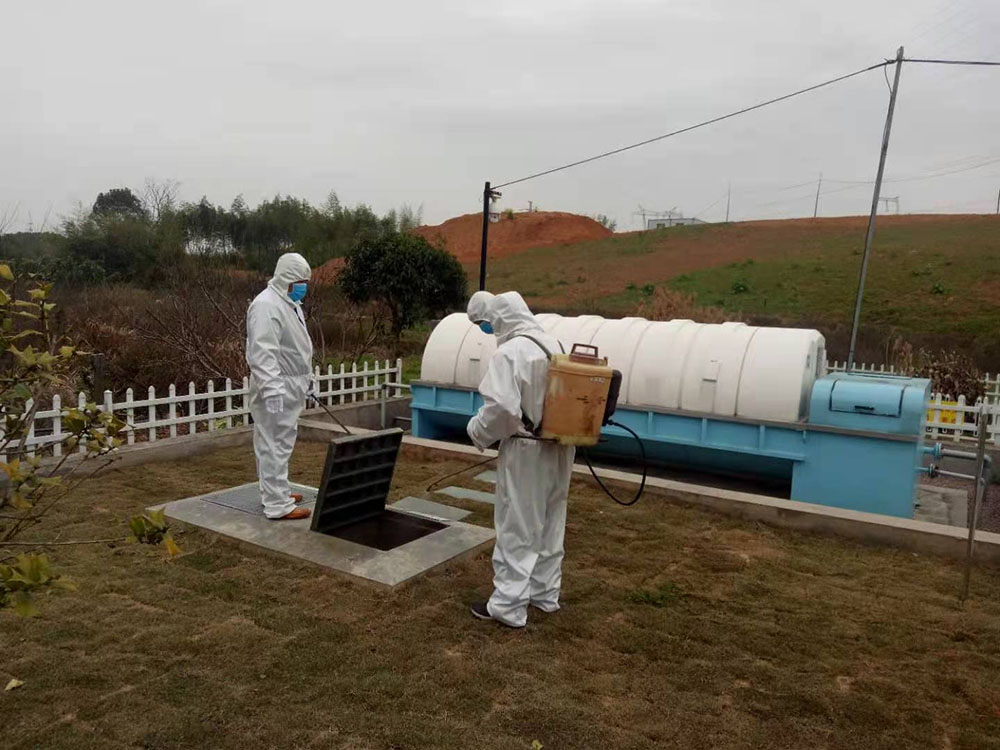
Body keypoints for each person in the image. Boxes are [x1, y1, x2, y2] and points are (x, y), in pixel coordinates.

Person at [465, 291, 575, 628]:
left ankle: (508, 605)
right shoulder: (554, 344)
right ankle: (545, 594)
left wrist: (476, 431)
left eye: (486, 324)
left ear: (499, 319)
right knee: (551, 519)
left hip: (526, 450)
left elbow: (501, 409)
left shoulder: (510, 353)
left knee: (518, 525)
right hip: (561, 445)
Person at [246, 252, 317, 521]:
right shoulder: (266, 305)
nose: (304, 286)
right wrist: (272, 388)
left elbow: (297, 348)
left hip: (290, 383)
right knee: (273, 443)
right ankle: (277, 504)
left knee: (282, 442)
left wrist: (308, 381)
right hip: (277, 385)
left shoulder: (289, 303)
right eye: (300, 281)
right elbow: (263, 352)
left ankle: (278, 490)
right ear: (287, 278)